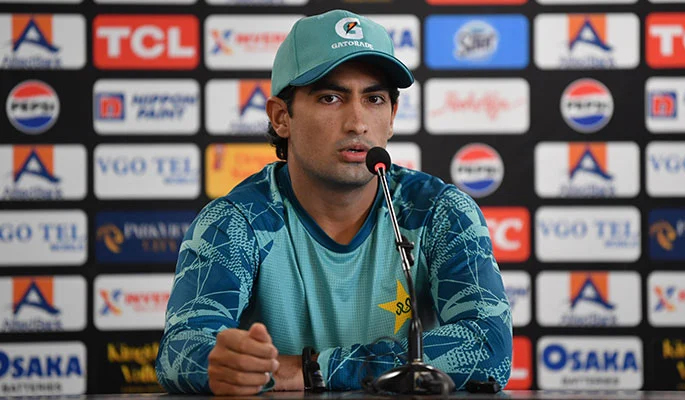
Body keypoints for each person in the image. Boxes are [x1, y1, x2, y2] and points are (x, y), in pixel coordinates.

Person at [155, 9, 512, 395]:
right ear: (281, 117)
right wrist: (221, 364)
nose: (357, 122)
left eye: (374, 99)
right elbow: (179, 351)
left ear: (392, 115)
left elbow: (489, 346)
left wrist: (312, 370)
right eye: (330, 98)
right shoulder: (236, 222)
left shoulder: (439, 212)